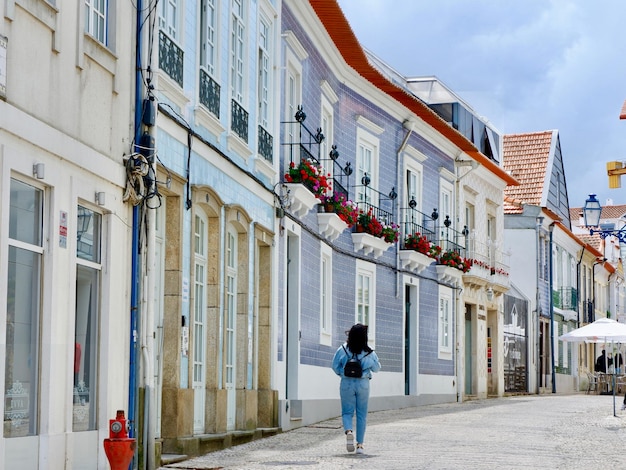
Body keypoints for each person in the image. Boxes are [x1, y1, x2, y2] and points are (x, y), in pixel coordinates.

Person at [332, 324, 381, 455]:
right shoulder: (369, 352)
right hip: (363, 384)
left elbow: (335, 366)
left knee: (347, 412)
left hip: (346, 383)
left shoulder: (342, 349)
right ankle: (359, 445)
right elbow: (377, 368)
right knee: (361, 414)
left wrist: (343, 373)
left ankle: (349, 431)